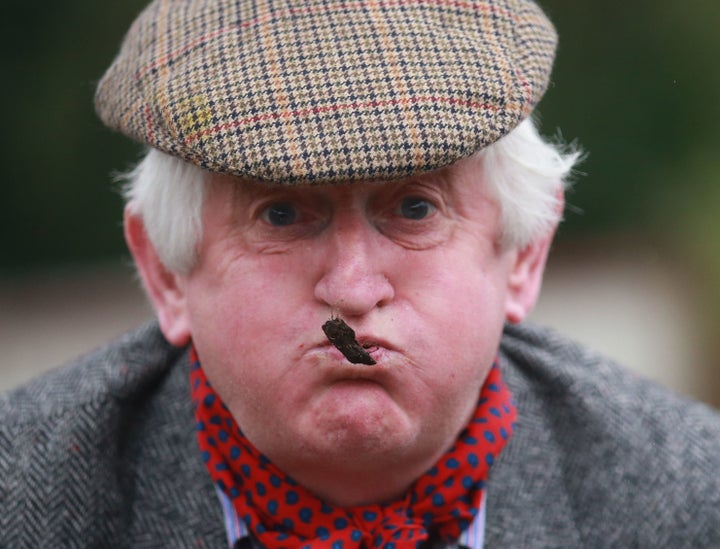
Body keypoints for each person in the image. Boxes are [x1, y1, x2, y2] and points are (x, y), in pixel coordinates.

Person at [2, 0, 719, 546]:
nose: (350, 291)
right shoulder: (21, 500)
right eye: (280, 214)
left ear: (523, 256)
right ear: (164, 270)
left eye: (414, 206)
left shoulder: (690, 502)